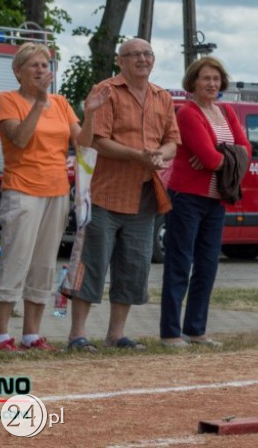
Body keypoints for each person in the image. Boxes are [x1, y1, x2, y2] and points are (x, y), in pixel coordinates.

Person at [0, 43, 105, 352]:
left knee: (44, 264)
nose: (42, 70)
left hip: (56, 191)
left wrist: (90, 113)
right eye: (34, 66)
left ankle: (31, 334)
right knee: (16, 259)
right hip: (22, 189)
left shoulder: (61, 102)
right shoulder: (7, 100)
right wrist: (39, 103)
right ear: (18, 72)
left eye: (45, 65)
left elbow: (82, 143)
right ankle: (1, 336)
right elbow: (20, 139)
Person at [66, 38, 180, 352]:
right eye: (134, 55)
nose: (142, 59)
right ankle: (77, 334)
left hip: (144, 194)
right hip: (105, 193)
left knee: (134, 267)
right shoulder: (106, 91)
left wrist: (161, 155)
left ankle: (116, 335)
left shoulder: (163, 96)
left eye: (147, 54)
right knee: (91, 264)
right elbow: (97, 141)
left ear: (154, 60)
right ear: (120, 61)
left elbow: (173, 141)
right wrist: (137, 155)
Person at [159, 57, 250, 348]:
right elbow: (213, 157)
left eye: (215, 78)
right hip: (187, 198)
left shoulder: (225, 112)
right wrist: (227, 156)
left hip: (216, 200)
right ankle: (171, 333)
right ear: (193, 82)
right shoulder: (188, 113)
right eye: (205, 78)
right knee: (179, 264)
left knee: (208, 265)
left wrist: (220, 157)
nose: (211, 84)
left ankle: (196, 329)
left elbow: (245, 151)